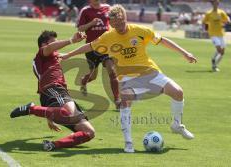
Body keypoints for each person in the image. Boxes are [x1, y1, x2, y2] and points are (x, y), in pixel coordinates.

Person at [61, 4, 197, 153]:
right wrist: (68, 55)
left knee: (178, 92)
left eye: (120, 23)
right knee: (125, 100)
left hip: (150, 72)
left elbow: (163, 40)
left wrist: (185, 53)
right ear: (111, 24)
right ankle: (128, 143)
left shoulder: (139, 31)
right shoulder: (108, 36)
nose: (118, 27)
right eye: (114, 25)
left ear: (125, 18)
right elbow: (89, 46)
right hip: (127, 78)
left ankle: (177, 125)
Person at [10, 30, 95, 151]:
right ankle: (31, 109)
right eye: (54, 42)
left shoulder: (51, 56)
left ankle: (53, 144)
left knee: (89, 132)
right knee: (68, 112)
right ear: (44, 44)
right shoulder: (42, 53)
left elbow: (70, 52)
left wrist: (50, 116)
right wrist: (71, 40)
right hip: (53, 88)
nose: (57, 44)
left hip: (57, 94)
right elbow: (50, 48)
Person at [76, 0, 120, 108]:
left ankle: (118, 101)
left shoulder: (108, 8)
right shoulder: (85, 10)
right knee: (93, 76)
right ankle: (83, 81)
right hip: (91, 47)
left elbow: (114, 22)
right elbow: (80, 28)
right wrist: (91, 23)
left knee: (112, 72)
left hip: (106, 46)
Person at [202, 0, 230, 72]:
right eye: (215, 3)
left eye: (218, 3)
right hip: (213, 34)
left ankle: (215, 64)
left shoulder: (221, 12)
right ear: (212, 4)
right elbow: (204, 22)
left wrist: (226, 22)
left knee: (222, 52)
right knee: (219, 50)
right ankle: (214, 61)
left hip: (221, 33)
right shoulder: (209, 13)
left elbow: (227, 20)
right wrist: (205, 30)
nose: (217, 4)